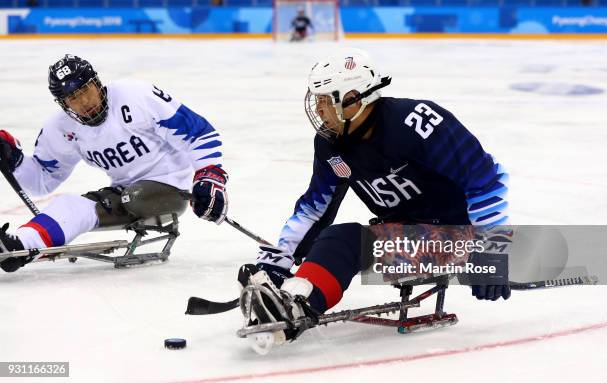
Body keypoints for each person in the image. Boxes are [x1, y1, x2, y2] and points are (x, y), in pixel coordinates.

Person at [240, 48, 510, 346]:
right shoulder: (332, 145)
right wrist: (277, 261)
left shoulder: (417, 122)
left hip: (459, 239)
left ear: (354, 98)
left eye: (325, 101)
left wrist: (491, 254)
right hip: (406, 237)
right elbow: (315, 208)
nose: (318, 110)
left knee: (344, 239)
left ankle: (298, 304)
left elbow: (485, 181)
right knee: (337, 240)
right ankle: (295, 300)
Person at [0, 54, 228, 272]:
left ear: (97, 83)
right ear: (63, 104)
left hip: (170, 187)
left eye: (85, 90)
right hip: (123, 193)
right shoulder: (62, 128)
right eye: (73, 98)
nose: (84, 102)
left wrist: (209, 176)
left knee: (135, 196)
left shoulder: (135, 95)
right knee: (71, 205)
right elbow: (42, 180)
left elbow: (199, 132)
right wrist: (13, 159)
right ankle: (19, 246)